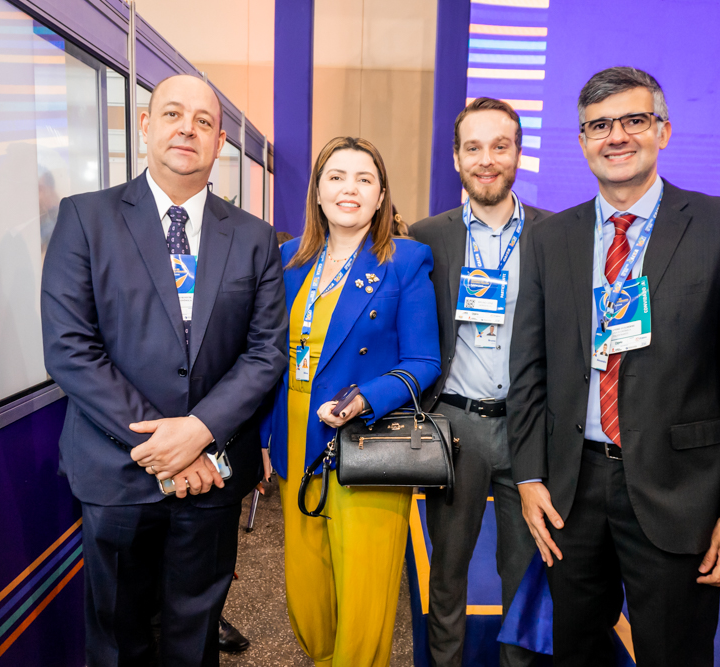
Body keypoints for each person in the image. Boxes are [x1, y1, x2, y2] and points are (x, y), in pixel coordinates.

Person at [507, 67, 720, 666]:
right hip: (569, 492)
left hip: (680, 491)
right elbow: (528, 367)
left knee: (672, 652)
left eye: (634, 120)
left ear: (663, 130)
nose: (616, 136)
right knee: (574, 648)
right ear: (581, 141)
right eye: (599, 125)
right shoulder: (551, 238)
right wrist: (528, 475)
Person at [41, 74, 286, 667]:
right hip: (118, 470)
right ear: (146, 126)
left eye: (204, 121)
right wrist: (167, 446)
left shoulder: (253, 238)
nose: (187, 129)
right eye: (173, 114)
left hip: (214, 475)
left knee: (193, 634)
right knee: (118, 636)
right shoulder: (85, 219)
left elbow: (265, 352)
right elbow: (71, 348)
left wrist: (200, 432)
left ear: (220, 140)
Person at [264, 136, 440, 667]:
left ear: (381, 193)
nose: (350, 189)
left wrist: (365, 397)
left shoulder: (404, 260)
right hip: (296, 438)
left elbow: (424, 362)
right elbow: (268, 360)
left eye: (364, 179)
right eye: (337, 177)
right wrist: (266, 440)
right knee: (307, 585)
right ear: (318, 192)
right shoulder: (288, 262)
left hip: (365, 440)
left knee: (365, 591)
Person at [410, 97, 551, 667]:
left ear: (518, 153)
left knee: (525, 570)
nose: (487, 159)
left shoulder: (553, 234)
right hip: (453, 425)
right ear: (455, 157)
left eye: (500, 146)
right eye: (474, 147)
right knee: (447, 572)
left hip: (528, 428)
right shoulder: (426, 237)